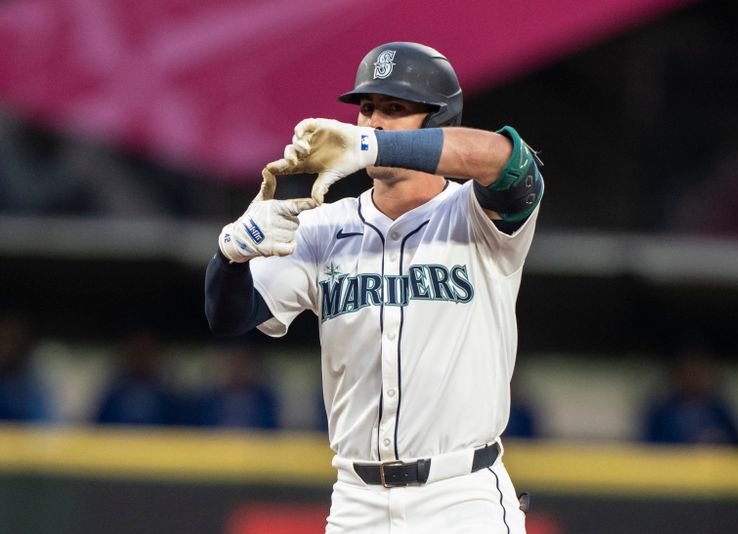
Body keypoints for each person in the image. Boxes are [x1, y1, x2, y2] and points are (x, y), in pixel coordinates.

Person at [205, 42, 544, 533]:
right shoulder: (324, 226)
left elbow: (507, 160)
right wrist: (231, 255)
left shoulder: (475, 215)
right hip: (356, 501)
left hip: (461, 497)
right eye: (367, 109)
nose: (373, 121)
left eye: (396, 108)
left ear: (438, 120)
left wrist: (371, 146)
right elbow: (229, 317)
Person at [641, 349, 738, 446]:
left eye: (698, 373)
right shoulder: (662, 411)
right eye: (688, 373)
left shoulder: (720, 410)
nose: (693, 379)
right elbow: (650, 445)